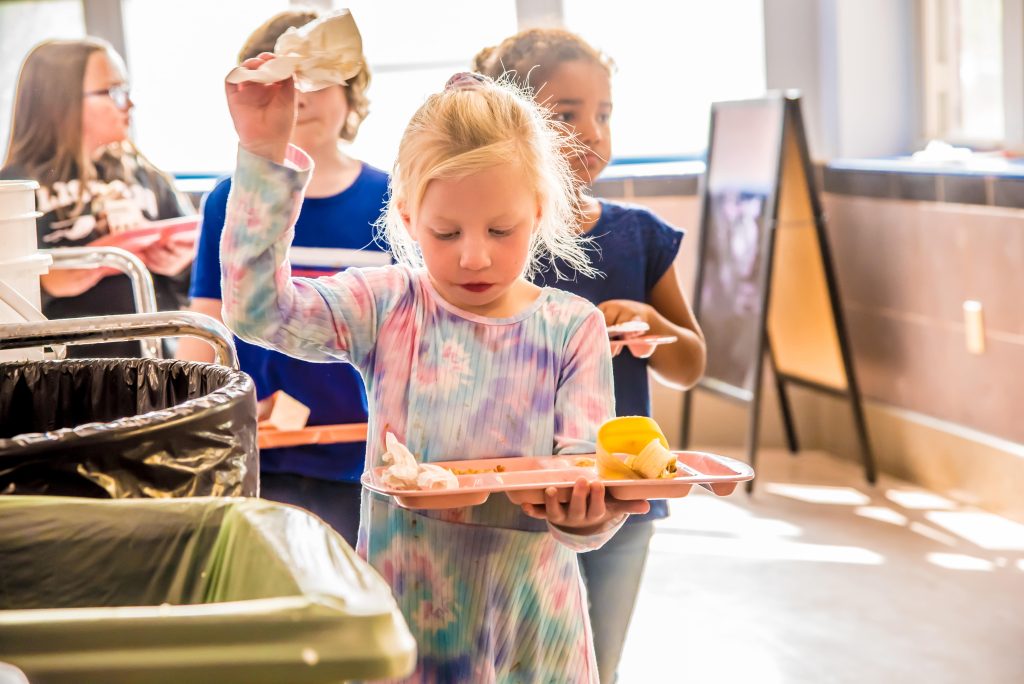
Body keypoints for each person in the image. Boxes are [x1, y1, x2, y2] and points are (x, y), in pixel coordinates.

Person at [221, 58, 651, 681]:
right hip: (410, 618)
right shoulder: (389, 305)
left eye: (501, 229)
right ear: (405, 217)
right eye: (445, 232)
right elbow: (258, 311)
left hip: (533, 624)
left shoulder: (571, 326)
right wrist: (263, 152)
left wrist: (586, 517)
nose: (474, 256)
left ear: (538, 211)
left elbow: (583, 474)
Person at [474, 29, 707, 683]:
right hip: (515, 500)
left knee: (595, 665)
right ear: (515, 126)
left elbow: (690, 363)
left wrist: (652, 321)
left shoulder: (639, 237)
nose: (593, 133)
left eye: (603, 114)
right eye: (566, 115)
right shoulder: (494, 243)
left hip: (623, 496)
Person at [177, 9, 388, 546]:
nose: (301, 98)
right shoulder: (232, 199)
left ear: (351, 90)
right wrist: (195, 426)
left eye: (316, 81)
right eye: (285, 83)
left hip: (368, 461)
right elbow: (207, 327)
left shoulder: (394, 201)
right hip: (266, 459)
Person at [1, 38, 195, 358]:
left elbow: (201, 280)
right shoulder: (14, 188)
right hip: (68, 374)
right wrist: (48, 282)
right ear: (60, 103)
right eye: (114, 92)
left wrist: (179, 263)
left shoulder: (146, 174)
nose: (129, 104)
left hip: (158, 361)